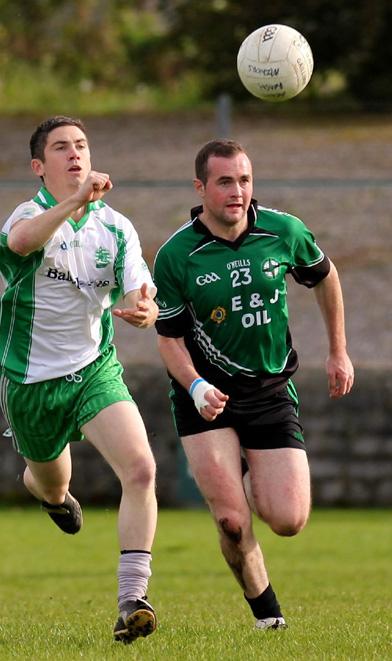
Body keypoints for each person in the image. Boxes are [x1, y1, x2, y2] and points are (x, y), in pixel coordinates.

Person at [152, 138, 354, 630]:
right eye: (224, 182)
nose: (236, 191)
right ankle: (268, 617)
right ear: (200, 188)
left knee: (287, 520)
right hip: (206, 400)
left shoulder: (284, 231)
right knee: (232, 520)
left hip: (269, 393)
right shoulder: (177, 255)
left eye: (244, 180)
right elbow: (169, 340)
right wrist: (197, 387)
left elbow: (325, 277)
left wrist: (338, 349)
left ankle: (247, 479)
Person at [0, 116, 159, 644]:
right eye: (61, 148)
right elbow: (19, 244)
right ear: (41, 167)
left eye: (81, 145)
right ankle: (51, 496)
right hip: (30, 381)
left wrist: (145, 311)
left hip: (94, 369)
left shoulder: (117, 227)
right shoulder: (31, 215)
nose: (75, 154)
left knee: (141, 469)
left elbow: (141, 295)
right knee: (51, 480)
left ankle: (132, 598)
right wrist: (74, 204)